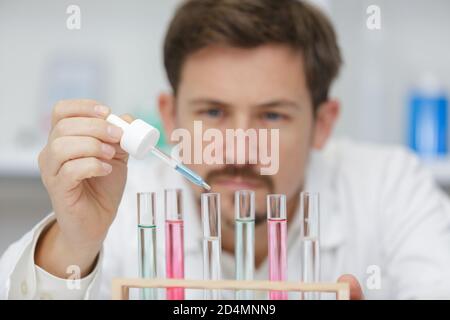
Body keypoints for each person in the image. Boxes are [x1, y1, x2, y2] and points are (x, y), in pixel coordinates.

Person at [1, 0, 450, 300]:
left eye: (272, 116)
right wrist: (74, 243)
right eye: (213, 112)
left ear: (323, 123)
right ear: (171, 117)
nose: (239, 147)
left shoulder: (391, 187)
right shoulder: (122, 201)